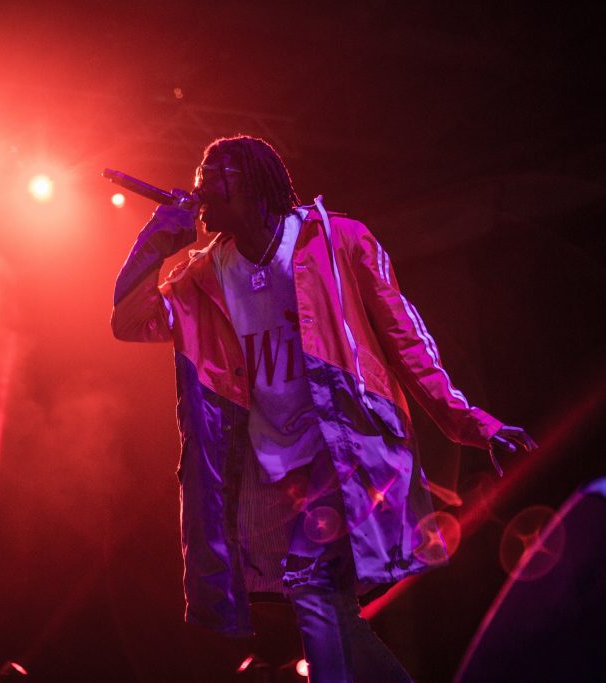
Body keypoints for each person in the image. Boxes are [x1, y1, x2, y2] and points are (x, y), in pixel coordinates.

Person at [110, 135, 536, 682]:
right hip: (271, 472)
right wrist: (157, 238)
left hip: (346, 449)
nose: (198, 188)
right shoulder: (202, 276)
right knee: (333, 609)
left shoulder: (339, 241)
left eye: (211, 176)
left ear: (250, 182)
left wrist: (474, 424)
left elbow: (407, 342)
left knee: (310, 584)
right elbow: (129, 321)